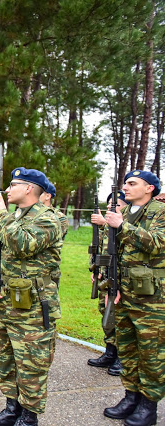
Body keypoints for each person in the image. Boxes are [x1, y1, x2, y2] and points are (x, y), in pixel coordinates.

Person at [0, 167, 61, 426]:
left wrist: (2, 216)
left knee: (32, 364)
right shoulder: (15, 215)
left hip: (34, 306)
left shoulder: (48, 218)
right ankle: (11, 408)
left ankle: (29, 417)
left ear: (29, 188)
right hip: (8, 300)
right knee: (8, 359)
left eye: (14, 184)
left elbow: (23, 245)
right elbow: (1, 256)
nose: (7, 189)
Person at [101, 170, 164, 425]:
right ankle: (131, 395)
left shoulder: (160, 212)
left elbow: (158, 243)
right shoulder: (125, 212)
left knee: (151, 351)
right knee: (127, 347)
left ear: (149, 188)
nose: (125, 188)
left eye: (132, 183)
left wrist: (121, 226)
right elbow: (114, 252)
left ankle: (149, 405)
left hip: (152, 297)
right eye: (125, 183)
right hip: (124, 292)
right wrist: (111, 287)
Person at [88, 190, 127, 377]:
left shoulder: (126, 226)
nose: (111, 209)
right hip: (105, 275)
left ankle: (122, 356)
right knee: (106, 312)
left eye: (117, 205)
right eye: (109, 205)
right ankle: (110, 351)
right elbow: (97, 248)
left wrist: (106, 223)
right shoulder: (106, 228)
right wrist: (94, 269)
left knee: (119, 316)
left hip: (120, 277)